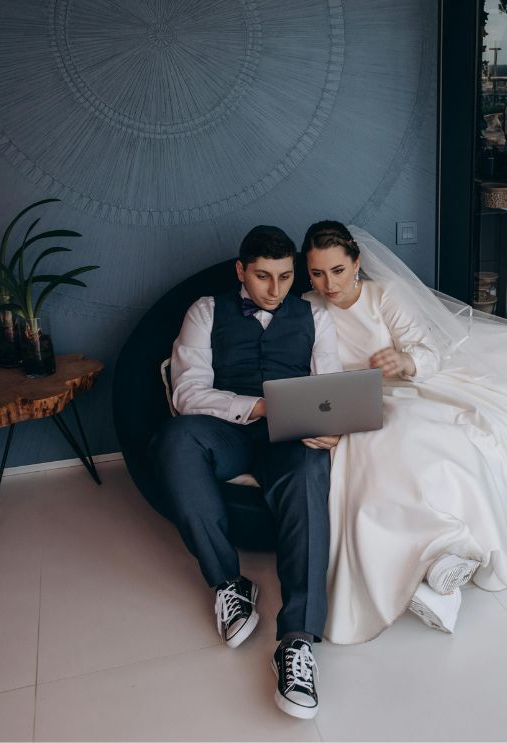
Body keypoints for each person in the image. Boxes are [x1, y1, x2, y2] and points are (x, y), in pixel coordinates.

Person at [300, 220, 507, 644]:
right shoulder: (306, 307)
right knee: (376, 453)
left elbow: (427, 350)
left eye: (337, 270)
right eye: (317, 273)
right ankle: (431, 564)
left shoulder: (382, 297)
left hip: (406, 387)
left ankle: (449, 554)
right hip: (348, 398)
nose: (328, 284)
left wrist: (404, 362)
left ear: (356, 263)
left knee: (438, 440)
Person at [148, 225, 342, 719]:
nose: (274, 290)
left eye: (284, 277)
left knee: (308, 470)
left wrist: (332, 425)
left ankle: (296, 641)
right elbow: (187, 394)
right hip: (227, 431)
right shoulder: (205, 311)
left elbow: (331, 386)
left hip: (290, 434)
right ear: (241, 271)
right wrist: (257, 406)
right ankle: (229, 585)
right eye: (262, 277)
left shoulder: (314, 315)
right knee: (174, 439)